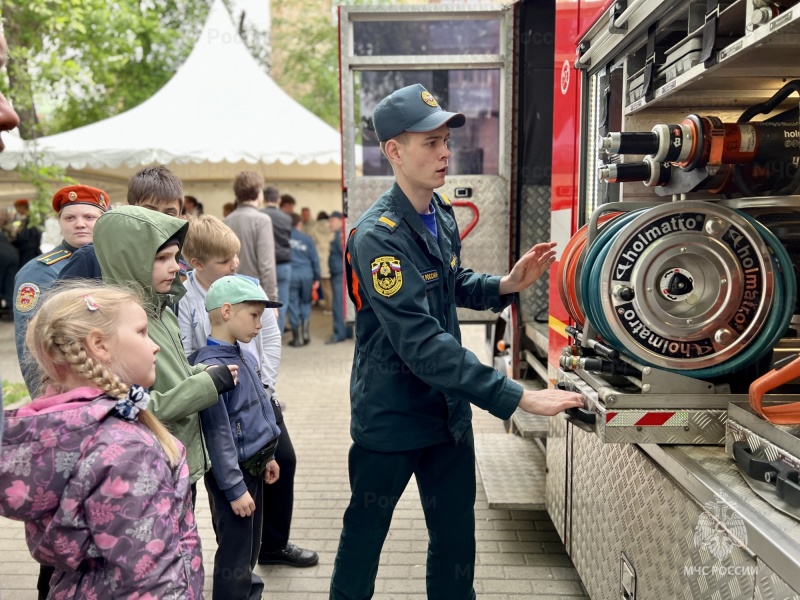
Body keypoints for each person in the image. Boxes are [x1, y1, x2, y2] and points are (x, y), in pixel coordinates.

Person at [329, 84, 585, 599]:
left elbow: (450, 284)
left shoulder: (440, 213)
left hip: (446, 415)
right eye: (429, 142)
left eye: (445, 139)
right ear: (394, 152)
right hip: (392, 417)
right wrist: (516, 395)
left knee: (455, 544)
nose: (445, 152)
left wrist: (506, 285)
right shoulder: (378, 236)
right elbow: (420, 341)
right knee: (364, 539)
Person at [0, 283, 204, 598]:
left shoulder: (59, 432)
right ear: (99, 345)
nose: (154, 346)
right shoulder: (128, 451)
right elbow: (149, 579)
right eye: (141, 332)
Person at [178, 215, 319, 569]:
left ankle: (271, 545)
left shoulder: (247, 284)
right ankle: (237, 553)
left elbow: (270, 336)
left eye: (235, 257)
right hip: (218, 395)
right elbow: (185, 348)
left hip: (258, 393)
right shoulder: (184, 297)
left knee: (281, 459)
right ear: (197, 264)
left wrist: (265, 381)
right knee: (228, 473)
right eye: (225, 261)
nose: (234, 265)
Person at [93, 206, 238, 501]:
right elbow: (134, 407)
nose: (176, 267)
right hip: (151, 464)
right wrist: (205, 385)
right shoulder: (115, 327)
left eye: (175, 256)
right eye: (161, 258)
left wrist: (201, 374)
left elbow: (174, 374)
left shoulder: (161, 310)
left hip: (178, 455)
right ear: (128, 259)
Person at [188, 275, 282, 599]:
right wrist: (234, 488)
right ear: (226, 311)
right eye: (254, 315)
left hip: (252, 468)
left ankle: (247, 591)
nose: (260, 324)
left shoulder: (245, 355)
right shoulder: (213, 368)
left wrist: (267, 455)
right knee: (235, 553)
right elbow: (218, 435)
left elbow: (255, 413)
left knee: (249, 547)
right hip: (234, 476)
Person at [14, 185, 109, 394]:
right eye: (70, 218)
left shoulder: (114, 262)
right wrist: (44, 400)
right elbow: (31, 347)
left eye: (89, 217)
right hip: (68, 389)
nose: (80, 224)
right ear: (60, 224)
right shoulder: (38, 272)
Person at [58, 165, 186, 280]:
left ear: (180, 216)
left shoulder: (178, 265)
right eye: (149, 212)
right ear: (129, 210)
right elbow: (60, 305)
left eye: (169, 214)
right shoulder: (92, 257)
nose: (160, 220)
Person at [225, 171, 278, 302]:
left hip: (231, 291)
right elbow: (267, 265)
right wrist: (272, 298)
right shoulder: (262, 220)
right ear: (259, 192)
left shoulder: (225, 221)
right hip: (255, 292)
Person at [262, 185, 293, 333]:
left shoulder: (259, 216)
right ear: (279, 200)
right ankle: (276, 337)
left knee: (260, 304)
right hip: (283, 264)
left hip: (264, 266)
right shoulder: (286, 218)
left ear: (263, 199)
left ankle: (264, 338)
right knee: (282, 304)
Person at [288, 212, 320, 346]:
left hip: (291, 275)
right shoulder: (307, 239)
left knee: (293, 303)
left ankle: (296, 338)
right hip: (307, 274)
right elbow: (315, 259)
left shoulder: (282, 239)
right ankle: (306, 333)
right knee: (306, 302)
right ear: (299, 224)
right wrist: (317, 277)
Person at [325, 210, 348, 344]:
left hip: (340, 275)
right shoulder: (338, 235)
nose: (330, 224)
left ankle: (339, 334)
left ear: (340, 221)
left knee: (339, 305)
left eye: (332, 221)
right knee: (343, 304)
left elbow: (344, 253)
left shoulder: (341, 235)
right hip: (339, 274)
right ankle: (346, 331)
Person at [309, 211, 334, 307]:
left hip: (320, 259)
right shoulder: (331, 226)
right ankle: (334, 306)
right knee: (333, 286)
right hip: (331, 257)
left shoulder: (315, 228)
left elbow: (311, 242)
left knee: (325, 286)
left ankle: (328, 307)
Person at [11, 199, 42, 266]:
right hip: (30, 251)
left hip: (28, 253)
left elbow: (26, 237)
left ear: (22, 207)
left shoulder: (30, 220)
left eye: (17, 207)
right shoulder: (29, 219)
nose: (16, 210)